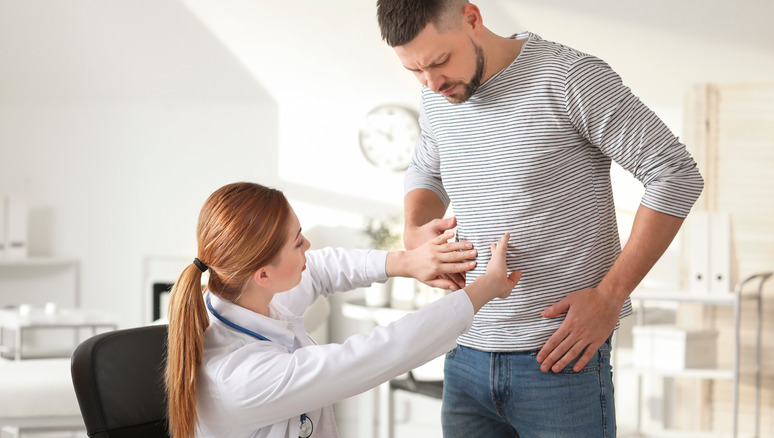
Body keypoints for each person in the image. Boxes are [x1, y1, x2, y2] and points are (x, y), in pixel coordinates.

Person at [376, 1, 705, 437]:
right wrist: (416, 228)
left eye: (439, 62)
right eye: (415, 71)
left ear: (472, 18)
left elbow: (674, 173)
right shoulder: (438, 95)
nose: (432, 83)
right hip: (464, 349)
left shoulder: (569, 77)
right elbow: (426, 168)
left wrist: (610, 295)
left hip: (559, 358)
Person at [164, 181, 522, 438]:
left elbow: (319, 269)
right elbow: (379, 353)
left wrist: (405, 262)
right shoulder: (242, 379)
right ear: (263, 274)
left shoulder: (242, 299)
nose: (307, 245)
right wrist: (483, 290)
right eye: (297, 242)